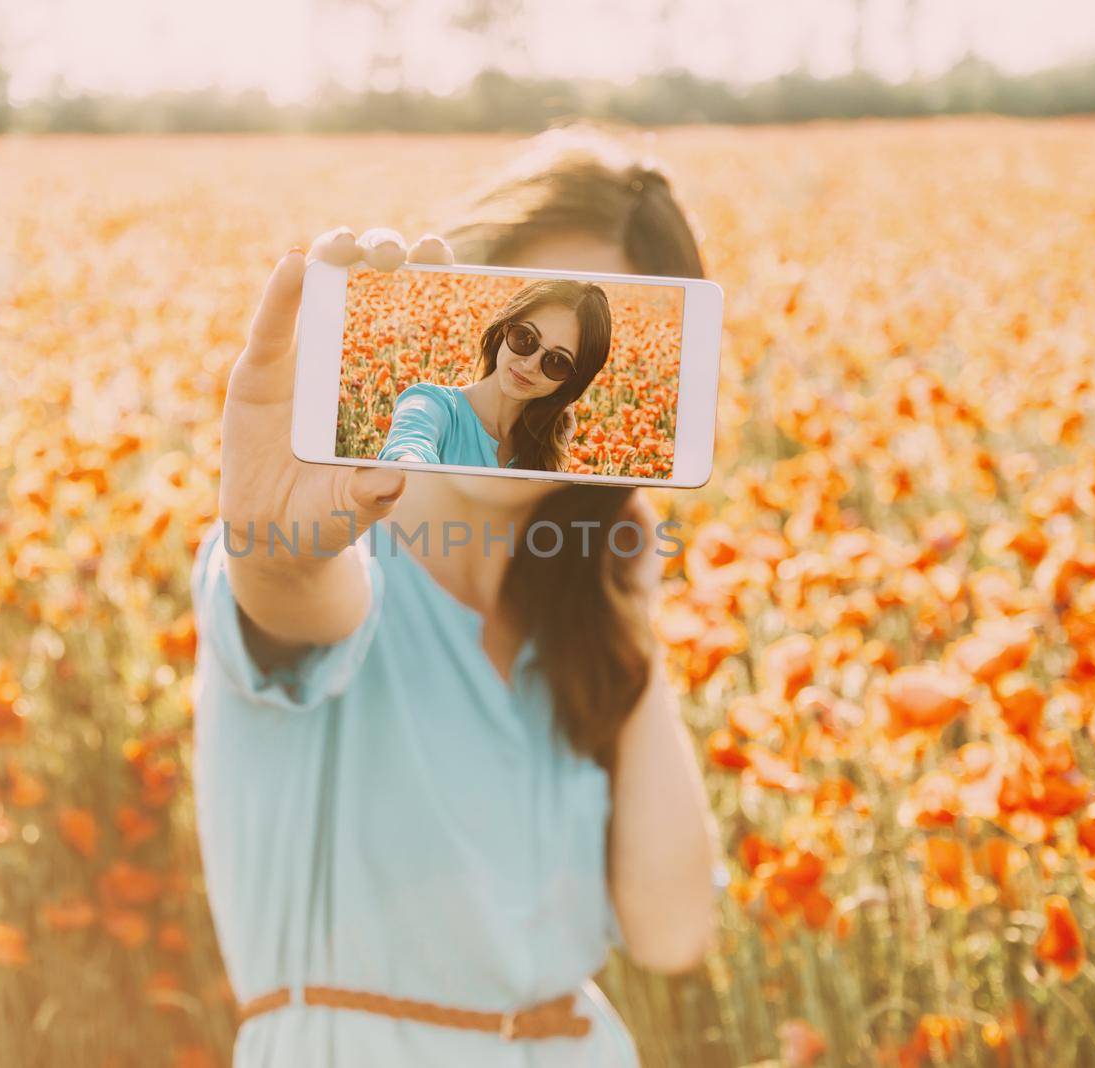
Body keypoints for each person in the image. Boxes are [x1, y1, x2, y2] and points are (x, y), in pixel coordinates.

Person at [190, 121, 718, 1067]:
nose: (532, 369)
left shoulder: (579, 614)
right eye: (524, 330)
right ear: (472, 305)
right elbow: (296, 587)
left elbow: (673, 932)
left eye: (566, 363)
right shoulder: (337, 546)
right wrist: (272, 540)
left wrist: (628, 600)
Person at [377, 279, 610, 470]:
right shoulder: (430, 405)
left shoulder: (537, 456)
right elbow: (409, 446)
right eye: (525, 338)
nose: (530, 365)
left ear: (572, 382)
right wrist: (410, 467)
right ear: (503, 329)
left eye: (558, 362)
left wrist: (554, 458)